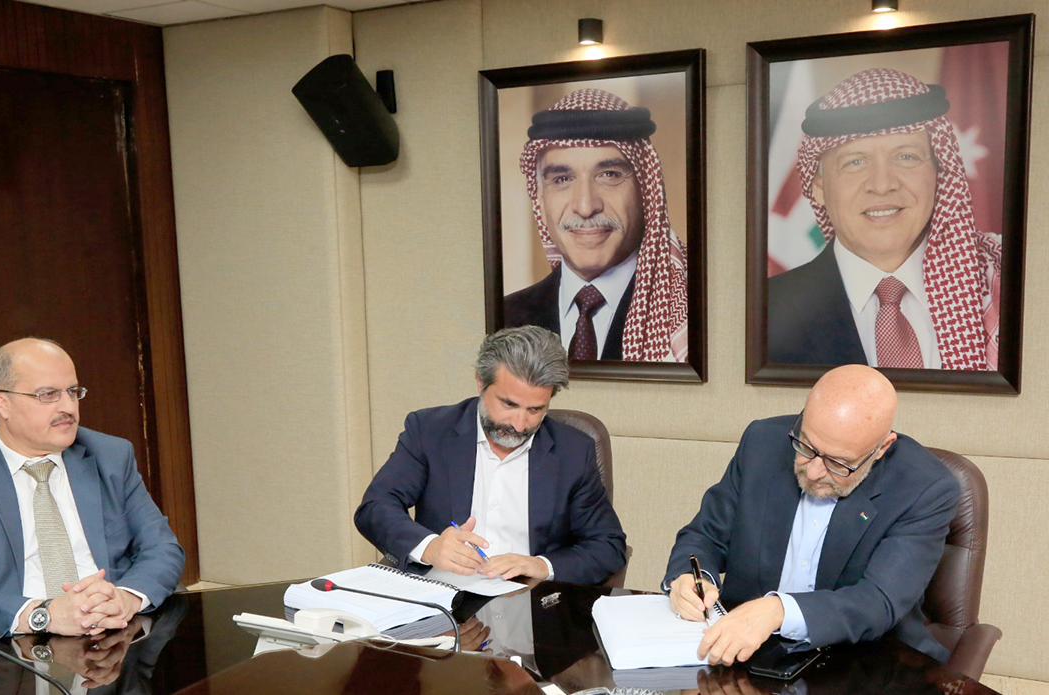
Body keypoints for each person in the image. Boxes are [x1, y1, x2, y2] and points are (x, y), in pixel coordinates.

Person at [0, 338, 185, 663]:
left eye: (73, 392)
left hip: (110, 645)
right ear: (3, 403)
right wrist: (44, 615)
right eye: (47, 395)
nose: (68, 407)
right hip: (4, 651)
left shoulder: (110, 455)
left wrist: (125, 599)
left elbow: (163, 549)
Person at [663, 364, 958, 665]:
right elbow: (705, 536)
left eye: (838, 463)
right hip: (749, 655)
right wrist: (690, 578)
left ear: (881, 448)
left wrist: (779, 610)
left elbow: (878, 601)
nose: (814, 471)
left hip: (866, 661)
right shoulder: (762, 443)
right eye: (807, 446)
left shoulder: (924, 487)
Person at [354, 325, 626, 584]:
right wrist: (430, 547)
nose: (519, 425)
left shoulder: (573, 452)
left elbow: (608, 545)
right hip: (442, 594)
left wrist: (541, 565)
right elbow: (375, 507)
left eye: (535, 410)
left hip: (528, 600)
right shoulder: (430, 431)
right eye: (509, 404)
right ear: (480, 382)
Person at [769, 68, 1002, 370]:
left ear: (939, 172)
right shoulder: (765, 312)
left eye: (906, 157)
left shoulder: (1002, 286)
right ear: (818, 187)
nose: (882, 184)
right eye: (855, 161)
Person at [503, 87, 688, 363]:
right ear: (540, 200)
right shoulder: (506, 319)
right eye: (562, 179)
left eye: (609, 175)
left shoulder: (689, 316)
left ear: (646, 192)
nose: (586, 206)